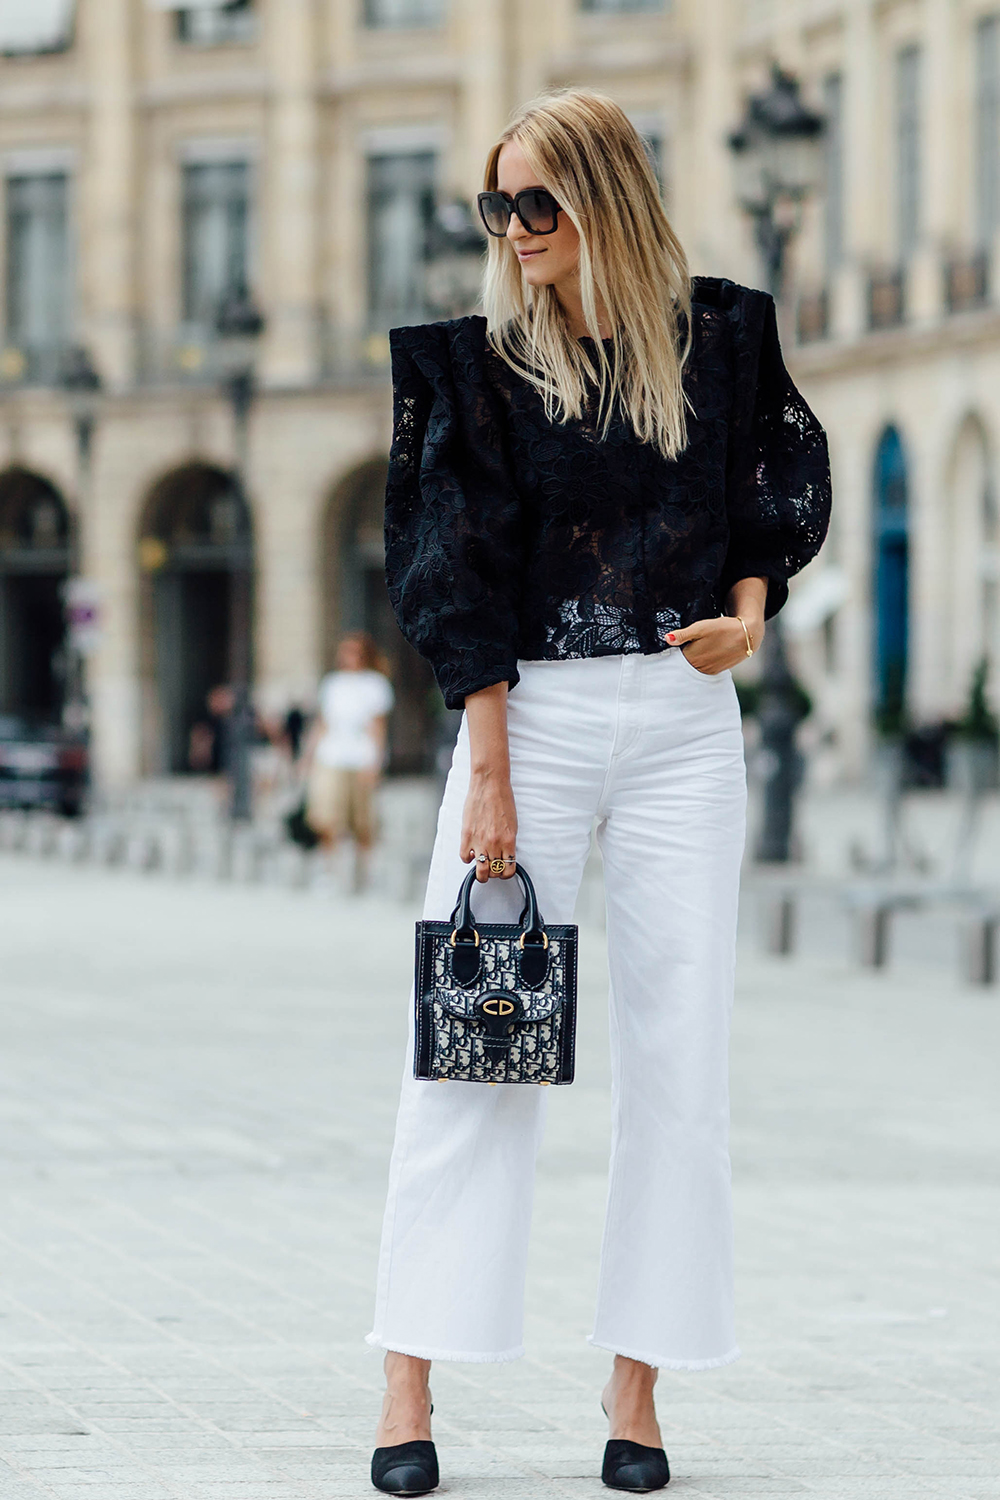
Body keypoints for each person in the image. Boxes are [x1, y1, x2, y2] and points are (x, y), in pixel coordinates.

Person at [369, 89, 831, 1496]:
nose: (514, 233)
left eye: (539, 205)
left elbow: (769, 501)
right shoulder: (469, 369)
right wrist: (489, 773)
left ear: (607, 199)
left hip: (689, 720)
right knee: (468, 1052)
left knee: (681, 1063)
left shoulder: (726, 335)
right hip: (533, 722)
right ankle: (407, 1382)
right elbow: (452, 565)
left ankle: (637, 1394)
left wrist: (748, 616)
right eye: (495, 205)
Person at [304, 633, 394, 887]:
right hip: (331, 755)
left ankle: (364, 870)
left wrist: (376, 761)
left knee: (362, 820)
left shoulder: (375, 684)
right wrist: (307, 757)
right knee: (326, 814)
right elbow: (322, 723)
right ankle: (329, 869)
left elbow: (378, 727)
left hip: (361, 756)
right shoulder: (332, 684)